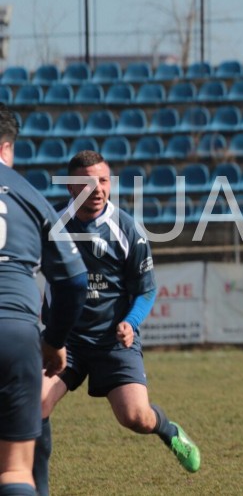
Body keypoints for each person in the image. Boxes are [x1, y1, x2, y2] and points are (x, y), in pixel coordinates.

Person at [34, 150, 200, 496]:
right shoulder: (52, 228)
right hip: (65, 341)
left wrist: (131, 322)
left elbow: (147, 290)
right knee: (34, 407)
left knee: (135, 417)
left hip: (114, 340)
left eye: (104, 181)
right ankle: (37, 488)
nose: (97, 189)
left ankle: (169, 431)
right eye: (87, 182)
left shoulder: (126, 228)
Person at [0, 107, 88, 496]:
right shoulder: (30, 196)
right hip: (15, 335)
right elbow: (74, 279)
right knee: (17, 469)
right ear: (8, 147)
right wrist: (53, 340)